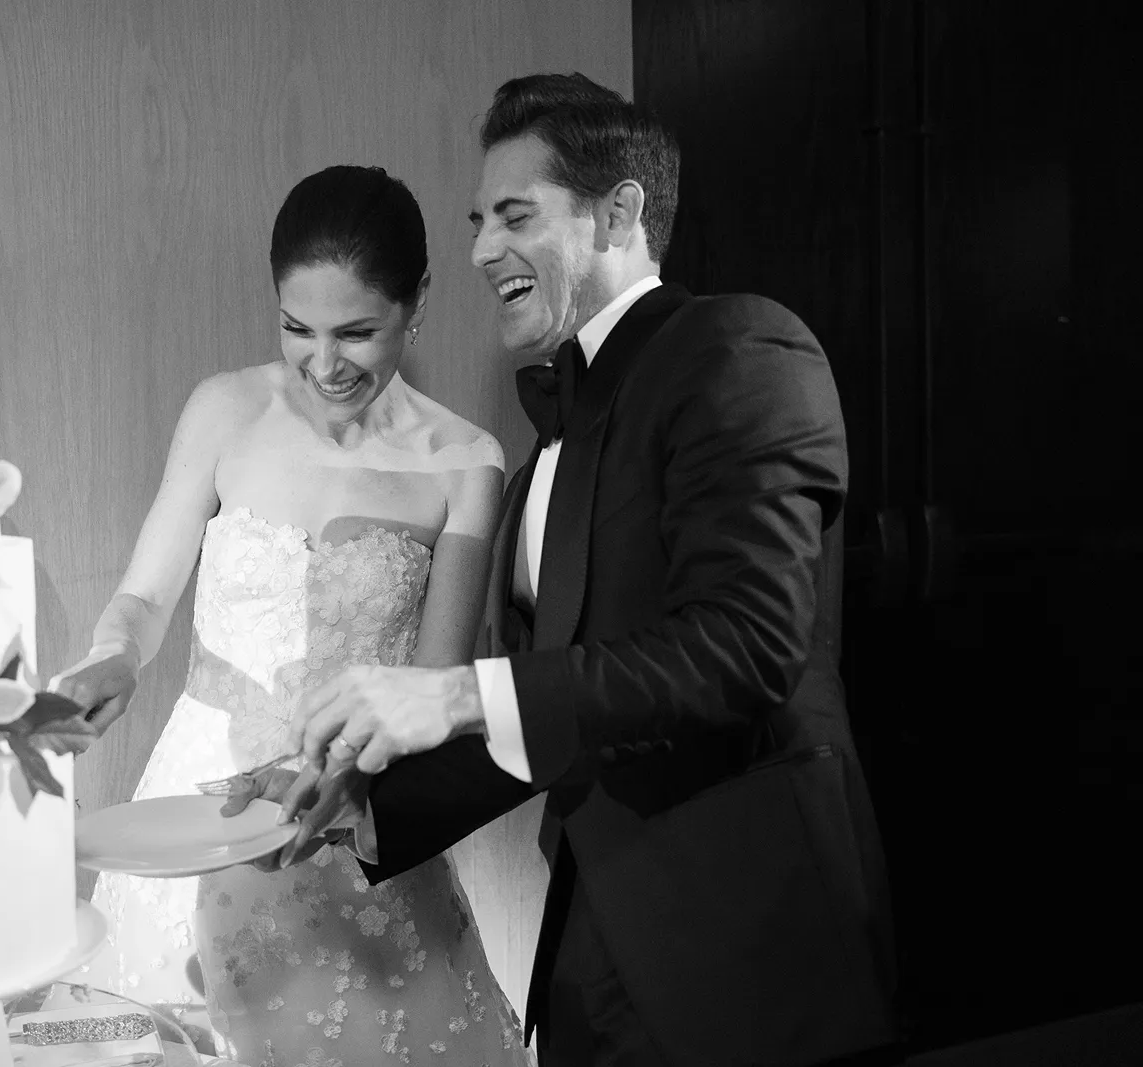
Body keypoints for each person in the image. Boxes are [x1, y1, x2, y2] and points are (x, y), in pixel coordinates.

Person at [238, 74, 898, 1066]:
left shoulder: (741, 347)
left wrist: (456, 691)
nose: (479, 250)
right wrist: (355, 805)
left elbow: (747, 646)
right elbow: (554, 714)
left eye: (516, 215)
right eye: (478, 222)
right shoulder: (549, 446)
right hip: (595, 948)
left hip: (749, 945)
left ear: (619, 214)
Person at [54, 165, 532, 1065]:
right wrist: (113, 653)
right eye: (297, 327)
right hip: (201, 807)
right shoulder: (224, 410)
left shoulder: (466, 461)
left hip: (348, 814)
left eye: (356, 332)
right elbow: (145, 597)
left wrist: (344, 775)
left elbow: (430, 693)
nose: (323, 363)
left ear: (417, 304)